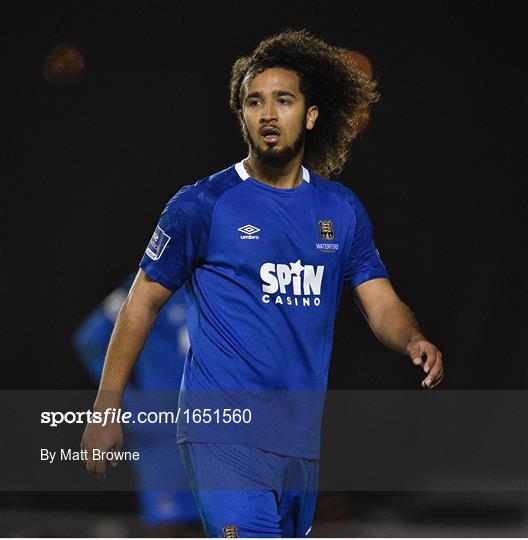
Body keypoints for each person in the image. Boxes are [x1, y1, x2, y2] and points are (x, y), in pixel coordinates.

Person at [81, 29, 444, 538]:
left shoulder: (340, 211)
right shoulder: (201, 205)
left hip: (298, 441)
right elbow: (140, 305)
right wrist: (106, 408)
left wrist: (412, 338)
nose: (269, 113)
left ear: (310, 115)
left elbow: (380, 301)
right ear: (243, 115)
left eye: (283, 100)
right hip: (220, 436)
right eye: (255, 101)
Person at [73, 275, 201, 536]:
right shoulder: (150, 281)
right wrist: (126, 400)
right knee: (169, 527)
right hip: (164, 432)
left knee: (227, 523)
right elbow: (88, 340)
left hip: (218, 426)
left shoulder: (222, 280)